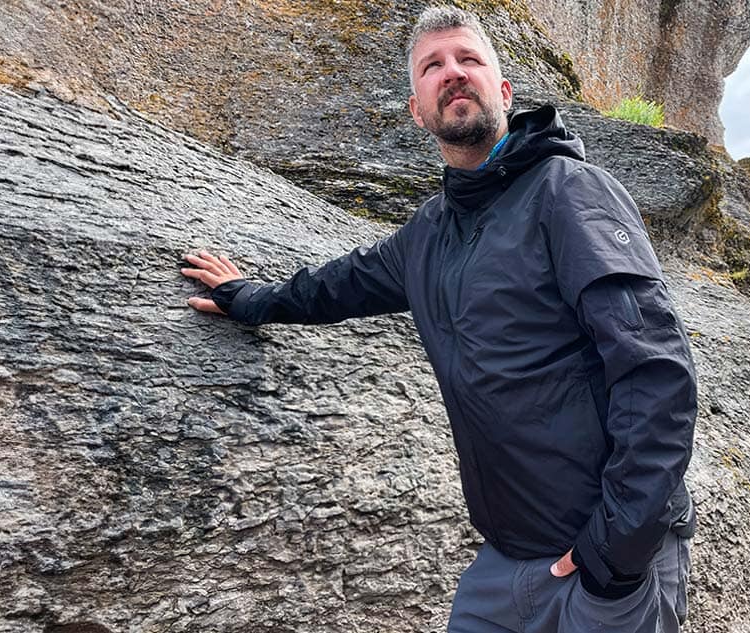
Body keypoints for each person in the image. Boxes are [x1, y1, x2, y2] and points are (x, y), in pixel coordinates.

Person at [180, 6, 697, 633]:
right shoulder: (428, 234)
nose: (453, 73)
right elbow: (332, 288)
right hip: (505, 560)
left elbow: (657, 373)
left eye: (469, 60)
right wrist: (246, 296)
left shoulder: (568, 192)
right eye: (433, 66)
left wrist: (611, 554)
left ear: (504, 91)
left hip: (601, 567)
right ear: (416, 109)